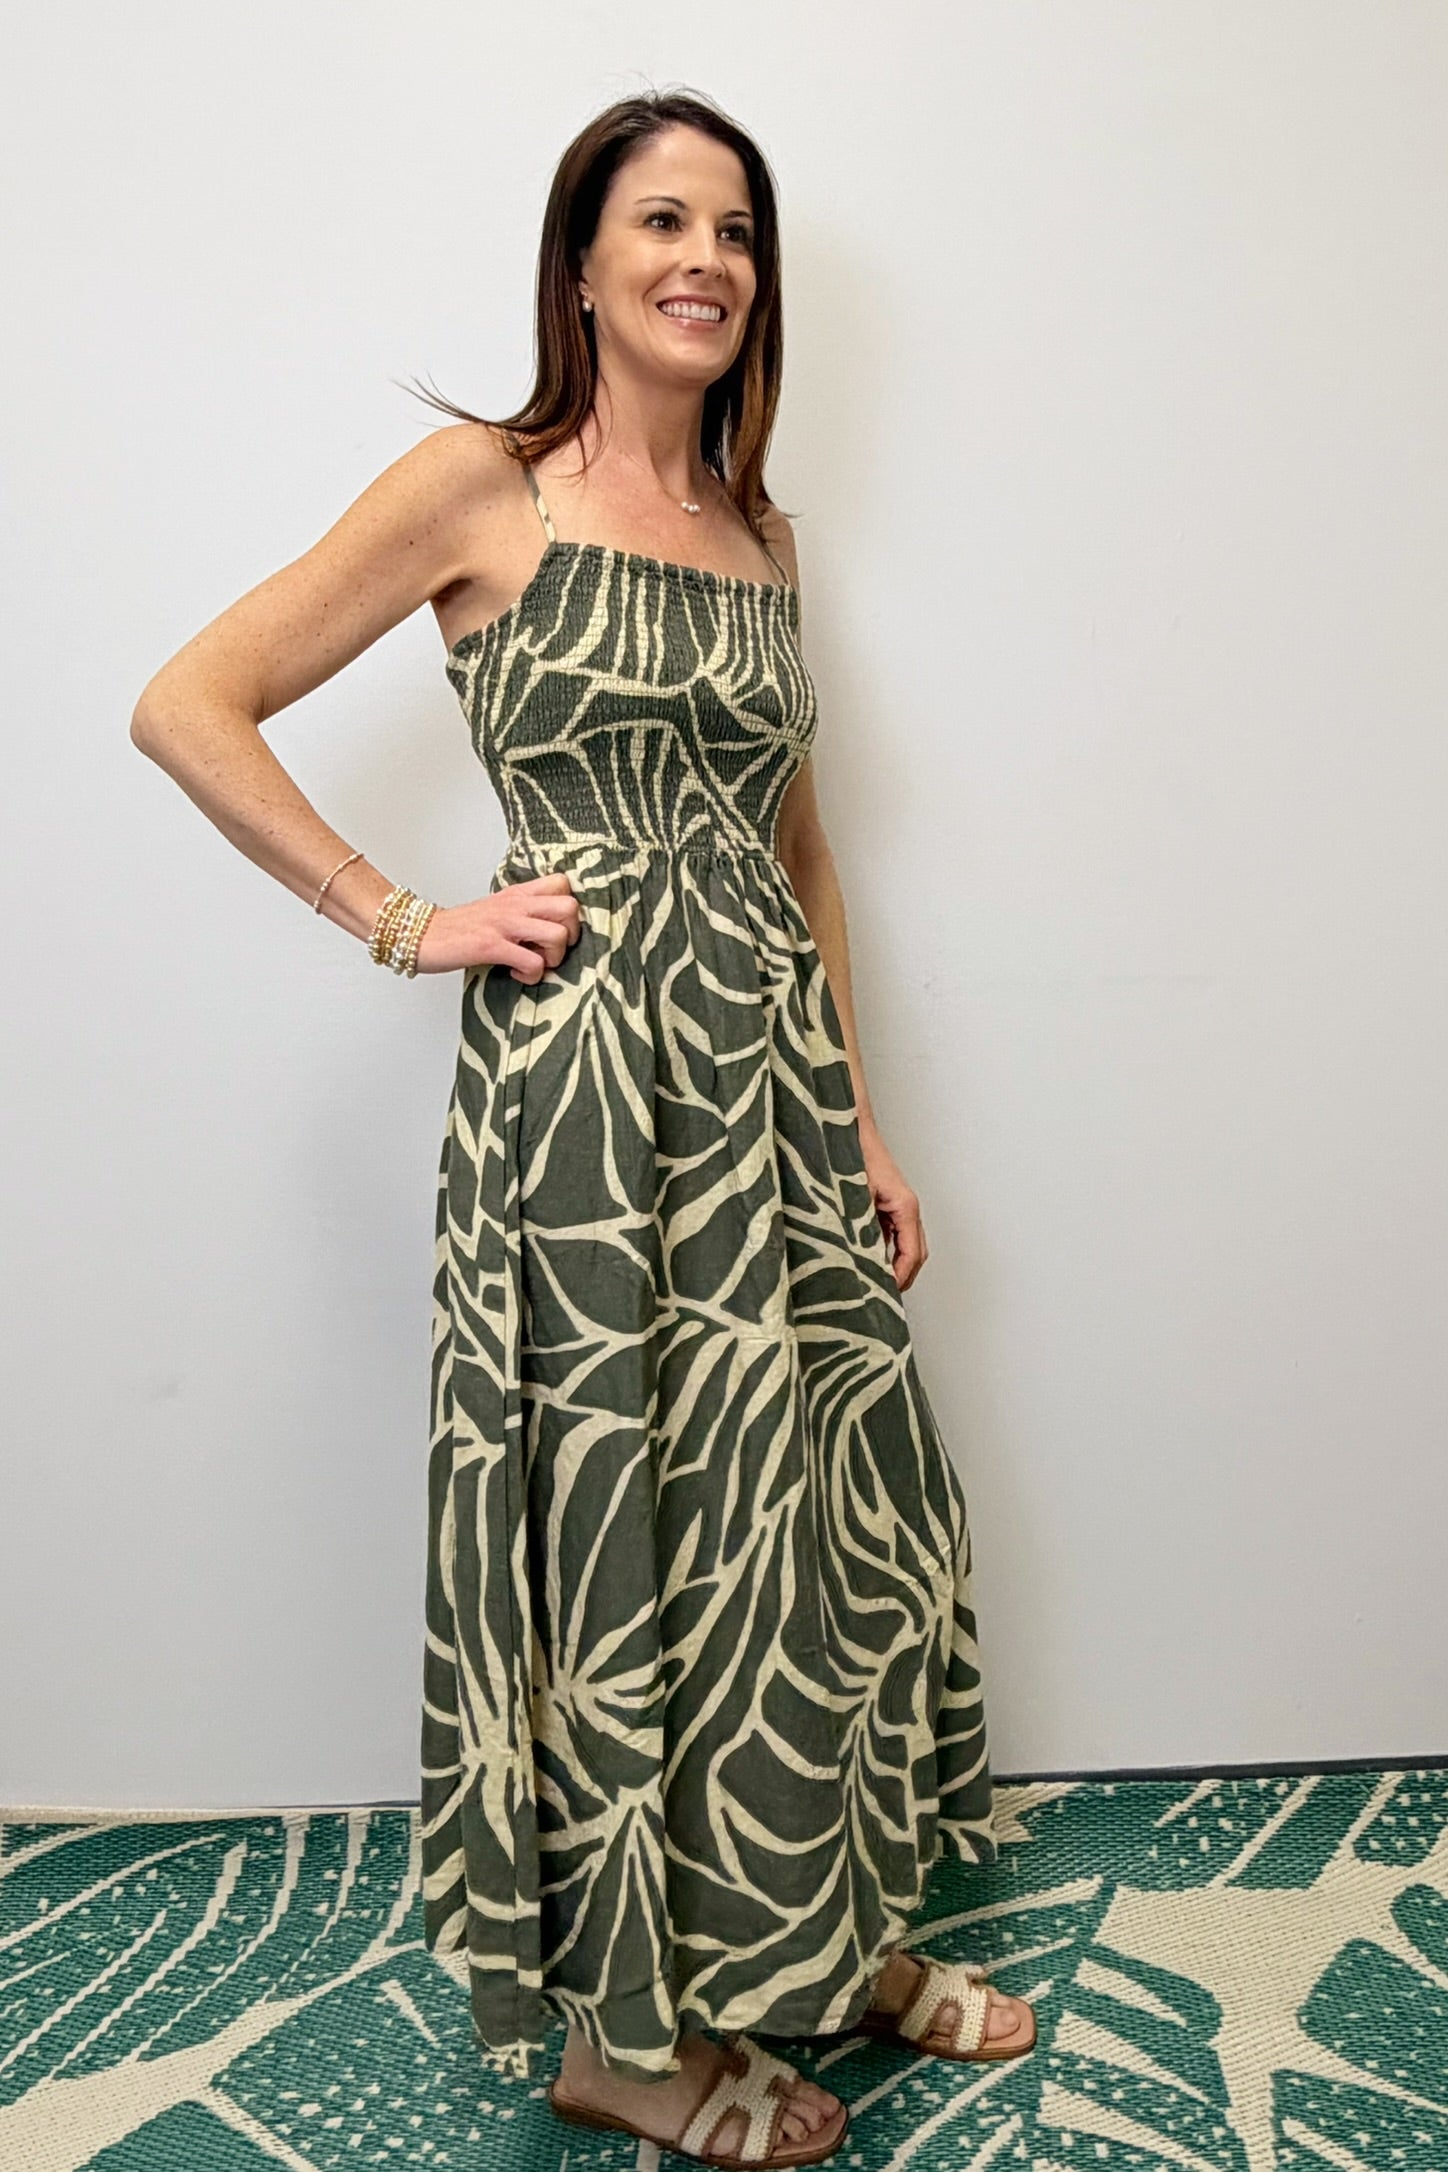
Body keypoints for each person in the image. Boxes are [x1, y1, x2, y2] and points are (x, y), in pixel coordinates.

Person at [131, 85, 1035, 2172]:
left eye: (735, 228)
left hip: (773, 1102)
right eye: (660, 221)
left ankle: (829, 1931)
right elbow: (191, 699)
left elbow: (799, 858)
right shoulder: (479, 488)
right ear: (582, 265)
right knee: (626, 1541)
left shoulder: (758, 533)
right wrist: (408, 919)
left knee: (823, 1517)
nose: (704, 257)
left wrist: (865, 1124)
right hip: (588, 1112)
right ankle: (620, 2044)